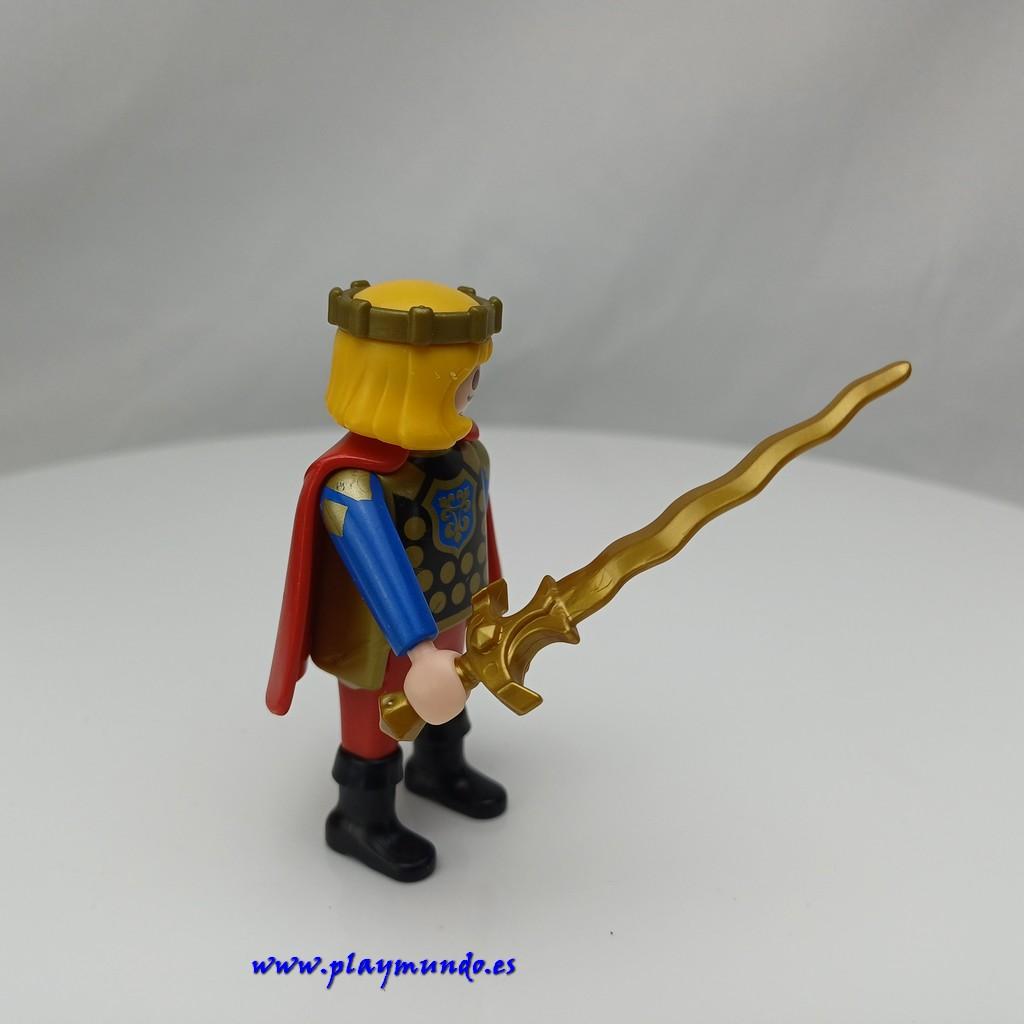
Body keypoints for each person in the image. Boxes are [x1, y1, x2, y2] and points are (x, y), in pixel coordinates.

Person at [266, 279, 506, 882]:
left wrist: (487, 608)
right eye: (463, 378)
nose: (473, 389)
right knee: (375, 720)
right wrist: (418, 649)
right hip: (378, 637)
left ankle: (439, 767)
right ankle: (360, 817)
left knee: (451, 692)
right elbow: (381, 571)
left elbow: (477, 535)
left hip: (451, 607)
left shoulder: (467, 455)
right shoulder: (353, 485)